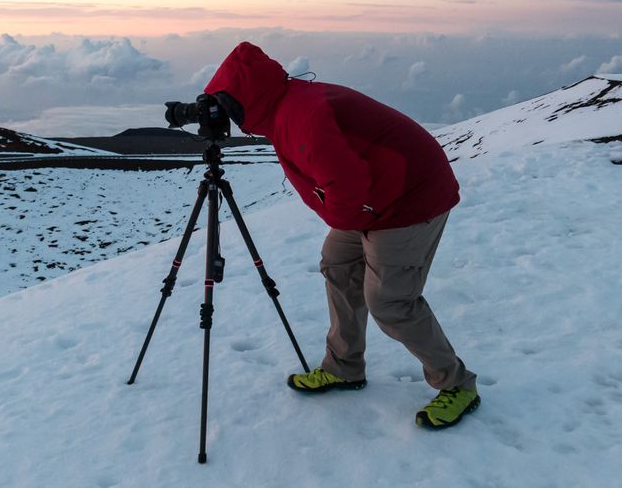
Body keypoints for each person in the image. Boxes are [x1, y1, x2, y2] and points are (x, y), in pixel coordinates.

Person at [205, 42, 478, 429]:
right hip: (382, 193)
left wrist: (343, 214)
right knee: (338, 263)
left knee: (389, 301)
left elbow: (347, 190)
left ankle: (458, 384)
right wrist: (345, 216)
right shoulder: (284, 107)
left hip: (411, 198)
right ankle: (345, 367)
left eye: (228, 103)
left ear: (247, 98)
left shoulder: (301, 116)